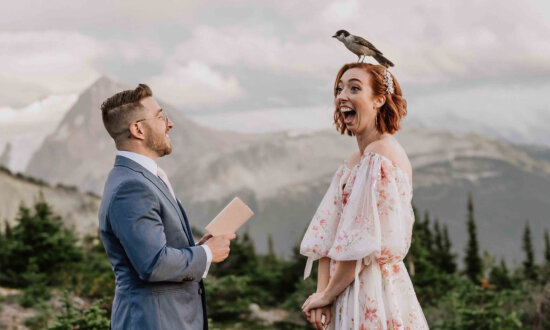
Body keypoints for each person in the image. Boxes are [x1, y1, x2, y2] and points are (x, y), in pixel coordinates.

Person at [300, 63, 429, 330]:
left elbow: (358, 245)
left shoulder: (380, 156)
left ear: (379, 100)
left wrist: (327, 294)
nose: (341, 96)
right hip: (344, 290)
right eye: (339, 89)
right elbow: (329, 235)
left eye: (354, 88)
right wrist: (322, 295)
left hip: (372, 292)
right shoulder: (354, 161)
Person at [98, 84, 235, 329]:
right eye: (161, 117)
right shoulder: (132, 187)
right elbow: (153, 263)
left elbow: (154, 250)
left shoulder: (141, 177)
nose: (169, 124)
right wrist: (207, 254)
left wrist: (197, 248)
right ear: (138, 129)